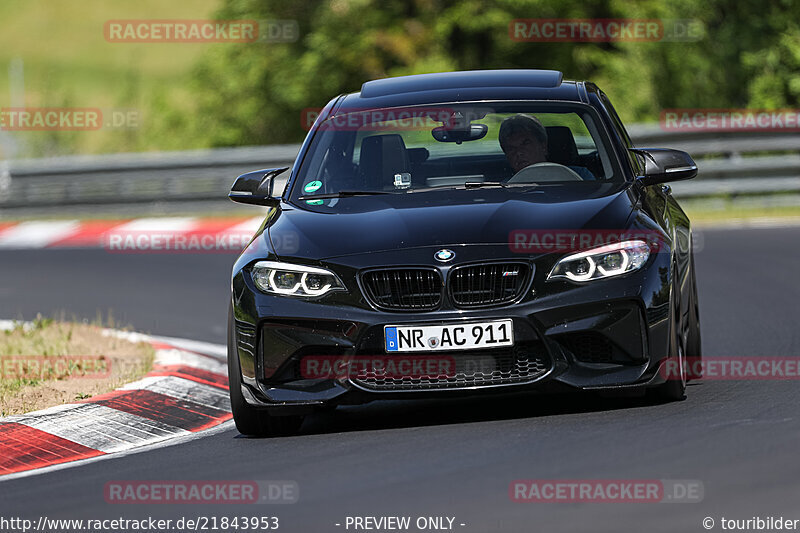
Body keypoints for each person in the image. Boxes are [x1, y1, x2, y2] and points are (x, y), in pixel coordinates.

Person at [498, 114, 595, 180]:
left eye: (525, 143)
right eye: (511, 148)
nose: (518, 152)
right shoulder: (504, 188)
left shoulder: (580, 176)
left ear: (543, 146)